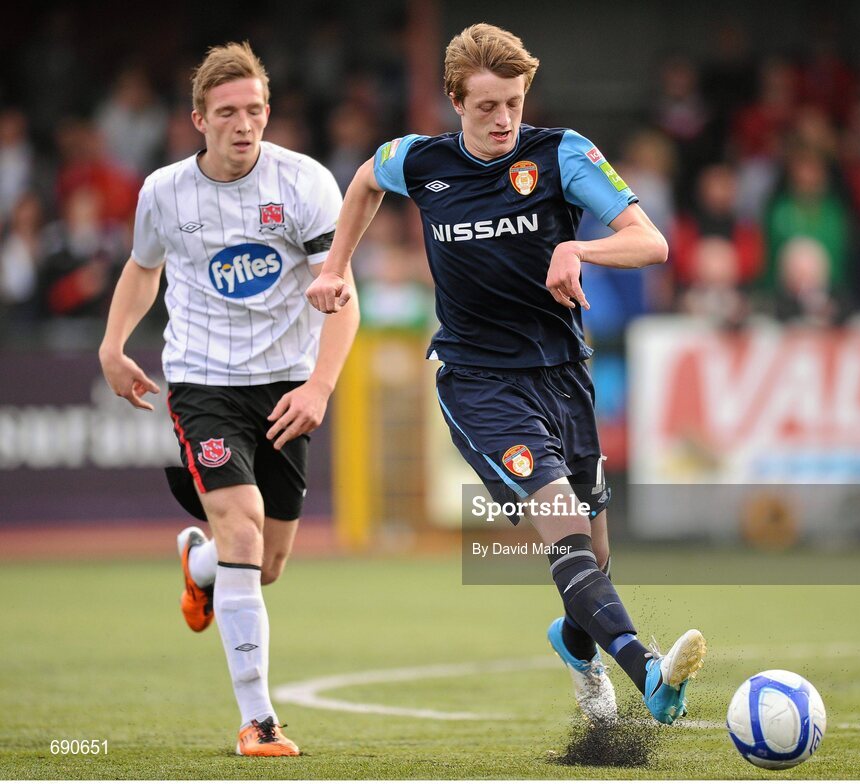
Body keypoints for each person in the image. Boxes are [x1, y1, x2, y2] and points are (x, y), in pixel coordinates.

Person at [306, 23, 705, 726]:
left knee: (596, 555)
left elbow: (651, 243)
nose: (503, 119)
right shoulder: (420, 161)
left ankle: (576, 647)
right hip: (479, 383)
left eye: (514, 103)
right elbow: (365, 179)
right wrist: (336, 266)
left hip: (564, 376)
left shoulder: (562, 154)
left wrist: (578, 249)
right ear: (456, 101)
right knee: (566, 529)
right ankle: (647, 672)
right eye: (487, 106)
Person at [98, 42, 358, 756]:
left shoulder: (305, 182)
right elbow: (143, 268)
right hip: (203, 381)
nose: (244, 125)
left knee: (266, 563)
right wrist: (113, 345)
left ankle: (199, 566)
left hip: (286, 385)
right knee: (242, 530)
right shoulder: (163, 192)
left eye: (255, 111)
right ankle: (258, 720)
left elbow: (342, 295)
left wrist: (319, 386)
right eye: (227, 113)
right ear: (198, 120)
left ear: (268, 112)